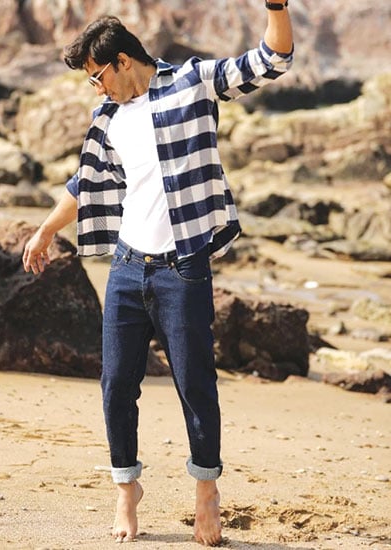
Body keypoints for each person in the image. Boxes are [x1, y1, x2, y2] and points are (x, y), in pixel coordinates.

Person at [23, 4, 293, 546]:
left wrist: (276, 8)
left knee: (196, 387)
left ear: (123, 61)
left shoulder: (193, 83)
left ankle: (206, 492)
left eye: (98, 76)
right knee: (116, 386)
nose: (97, 88)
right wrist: (46, 230)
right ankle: (127, 489)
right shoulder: (109, 118)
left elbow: (273, 59)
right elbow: (85, 185)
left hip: (182, 270)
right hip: (126, 268)